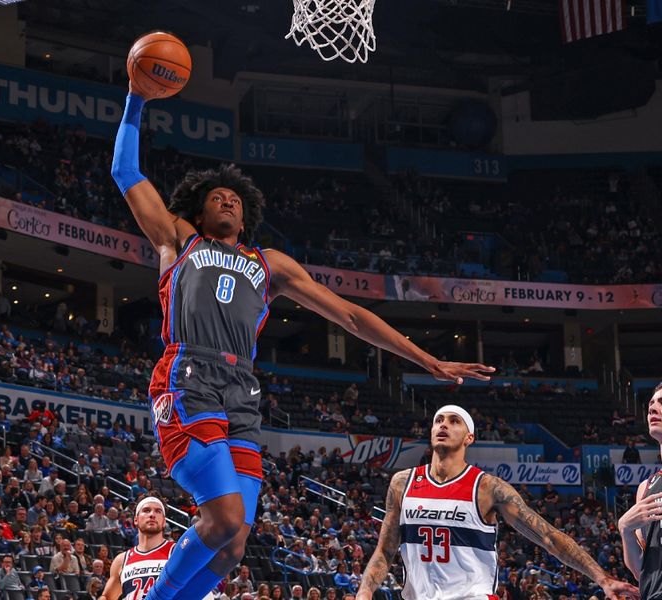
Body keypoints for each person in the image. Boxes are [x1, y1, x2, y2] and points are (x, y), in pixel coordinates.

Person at [110, 85, 495, 600]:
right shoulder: (179, 240)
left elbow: (352, 317)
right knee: (222, 517)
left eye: (235, 200)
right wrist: (136, 97)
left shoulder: (269, 264)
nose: (227, 199)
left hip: (241, 389)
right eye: (216, 197)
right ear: (199, 214)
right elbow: (126, 173)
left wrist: (428, 359)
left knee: (235, 542)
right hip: (189, 374)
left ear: (245, 219)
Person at [356, 405, 639, 600]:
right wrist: (364, 592)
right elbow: (385, 551)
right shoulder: (402, 483)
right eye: (439, 420)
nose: (443, 425)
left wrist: (602, 578)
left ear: (470, 437)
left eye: (454, 421)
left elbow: (548, 537)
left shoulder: (488, 488)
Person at [100, 495, 213, 600]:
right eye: (146, 510)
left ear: (164, 522)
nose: (152, 514)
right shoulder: (121, 560)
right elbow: (107, 596)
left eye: (158, 511)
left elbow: (204, 593)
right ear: (136, 519)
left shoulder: (178, 552)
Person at [619, 382, 662, 598]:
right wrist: (625, 529)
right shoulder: (646, 488)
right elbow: (640, 572)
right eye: (651, 403)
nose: (653, 408)